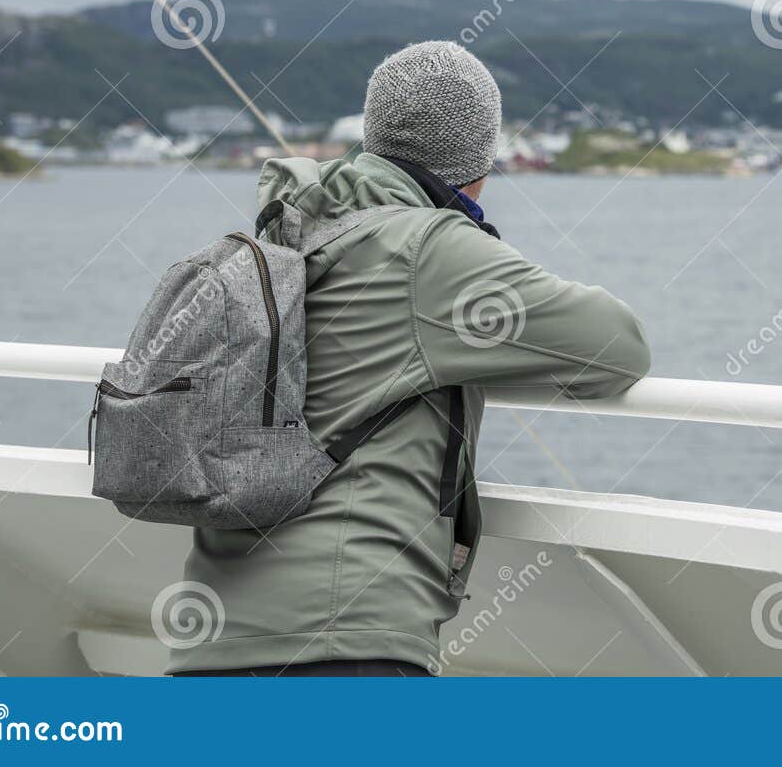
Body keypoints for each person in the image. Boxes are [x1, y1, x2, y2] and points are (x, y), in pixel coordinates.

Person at [169, 40, 650, 677]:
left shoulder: (289, 230)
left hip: (210, 635)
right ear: (478, 159)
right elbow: (617, 347)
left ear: (372, 135)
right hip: (345, 644)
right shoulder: (429, 251)